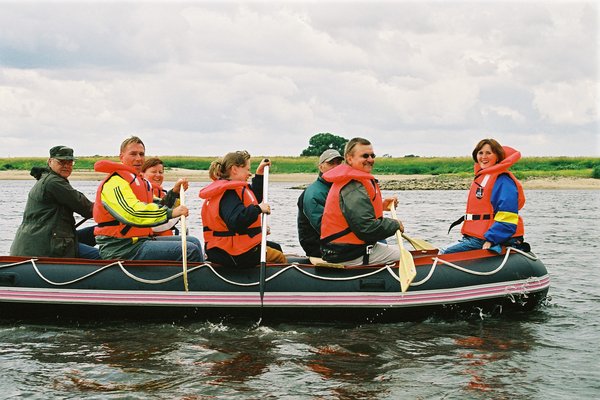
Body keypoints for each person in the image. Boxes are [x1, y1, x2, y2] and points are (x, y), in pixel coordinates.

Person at [93, 136, 203, 261]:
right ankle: (194, 280)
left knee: (193, 242)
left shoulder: (140, 182)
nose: (138, 158)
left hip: (139, 240)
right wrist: (171, 213)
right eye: (133, 154)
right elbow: (132, 212)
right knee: (189, 249)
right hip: (121, 247)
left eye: (141, 154)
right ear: (121, 157)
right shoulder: (115, 182)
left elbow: (158, 204)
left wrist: (174, 193)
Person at [320, 137, 404, 266]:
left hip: (344, 249)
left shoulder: (352, 182)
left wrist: (381, 206)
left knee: (399, 251)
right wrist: (395, 225)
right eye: (365, 156)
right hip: (349, 252)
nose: (370, 159)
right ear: (349, 158)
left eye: (372, 155)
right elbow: (366, 228)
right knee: (405, 255)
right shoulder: (353, 186)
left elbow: (355, 213)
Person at [199, 150, 287, 267]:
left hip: (229, 246)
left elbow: (253, 197)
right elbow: (236, 221)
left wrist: (259, 174)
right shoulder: (228, 193)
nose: (249, 174)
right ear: (234, 169)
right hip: (229, 250)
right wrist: (258, 209)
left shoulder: (233, 189)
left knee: (276, 247)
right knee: (278, 256)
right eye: (247, 169)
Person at [10, 145, 100, 259]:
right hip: (45, 245)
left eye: (70, 162)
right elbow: (88, 209)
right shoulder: (53, 183)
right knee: (102, 257)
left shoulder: (48, 179)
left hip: (49, 238)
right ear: (50, 161)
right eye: (62, 162)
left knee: (99, 231)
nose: (66, 166)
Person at [441, 138, 529, 254]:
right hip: (476, 236)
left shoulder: (503, 181)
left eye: (488, 153)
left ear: (497, 156)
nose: (483, 157)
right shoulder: (483, 178)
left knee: (443, 252)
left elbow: (507, 217)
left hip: (488, 237)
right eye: (480, 153)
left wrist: (491, 240)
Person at [297, 149, 343, 264]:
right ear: (321, 167)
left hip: (334, 243)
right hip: (320, 247)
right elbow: (325, 227)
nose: (336, 166)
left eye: (338, 163)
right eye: (331, 163)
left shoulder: (337, 189)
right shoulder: (314, 193)